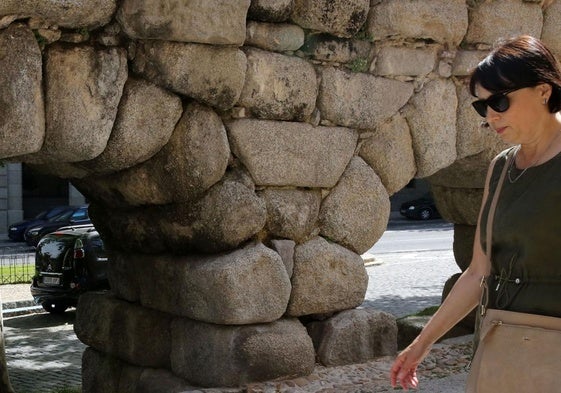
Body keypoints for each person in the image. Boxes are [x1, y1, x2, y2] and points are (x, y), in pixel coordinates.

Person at [389, 34, 561, 390]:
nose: (491, 116)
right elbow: (477, 273)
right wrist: (421, 345)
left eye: (499, 101)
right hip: (503, 349)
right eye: (482, 106)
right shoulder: (501, 169)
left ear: (544, 91)